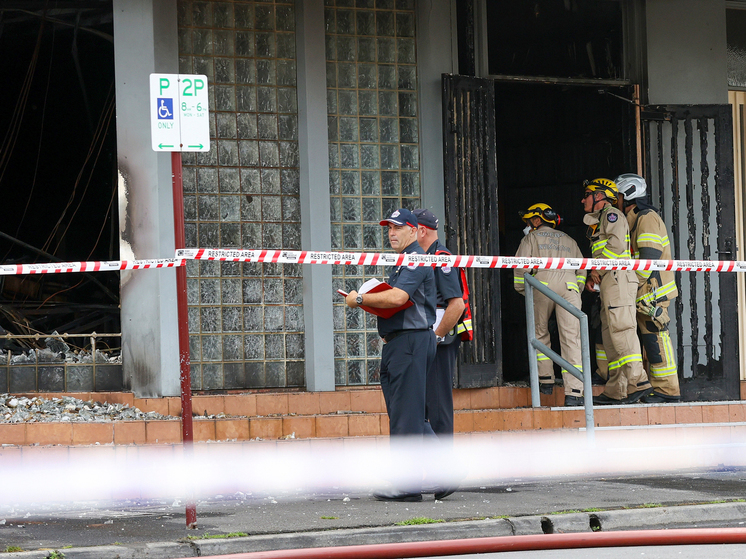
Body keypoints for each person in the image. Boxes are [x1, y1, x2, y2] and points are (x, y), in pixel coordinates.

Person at [345, 208, 437, 502]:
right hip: (399, 344)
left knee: (407, 417)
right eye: (388, 228)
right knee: (404, 413)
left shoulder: (415, 259)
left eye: (398, 227)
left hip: (411, 342)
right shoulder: (400, 262)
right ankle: (447, 469)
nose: (391, 233)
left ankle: (407, 486)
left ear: (414, 231)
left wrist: (360, 298)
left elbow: (398, 298)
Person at [582, 178, 653, 405]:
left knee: (622, 329)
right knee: (611, 334)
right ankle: (617, 390)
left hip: (617, 279)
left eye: (588, 194)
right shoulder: (601, 219)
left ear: (600, 196)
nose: (583, 199)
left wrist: (596, 269)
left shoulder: (612, 215)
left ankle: (637, 381)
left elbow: (616, 248)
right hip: (609, 281)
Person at [513, 203, 588, 406]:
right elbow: (582, 269)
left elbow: (521, 269)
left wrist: (526, 291)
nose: (528, 225)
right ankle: (574, 392)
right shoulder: (570, 240)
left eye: (529, 221)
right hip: (570, 286)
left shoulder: (530, 238)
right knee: (571, 338)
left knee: (540, 333)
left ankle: (545, 381)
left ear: (537, 220)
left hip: (542, 285)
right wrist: (576, 289)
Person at [615, 173, 681, 403]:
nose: (617, 201)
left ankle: (668, 391)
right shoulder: (634, 219)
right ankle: (658, 388)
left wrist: (632, 284)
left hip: (652, 293)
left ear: (629, 194)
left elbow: (650, 257)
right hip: (645, 292)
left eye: (619, 196)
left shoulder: (647, 217)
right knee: (649, 342)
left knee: (656, 340)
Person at [413, 208, 465, 441]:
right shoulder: (421, 257)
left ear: (421, 231)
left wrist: (435, 337)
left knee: (438, 404)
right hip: (425, 339)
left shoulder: (441, 258)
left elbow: (457, 305)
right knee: (424, 403)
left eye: (407, 229)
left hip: (439, 341)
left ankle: (444, 468)